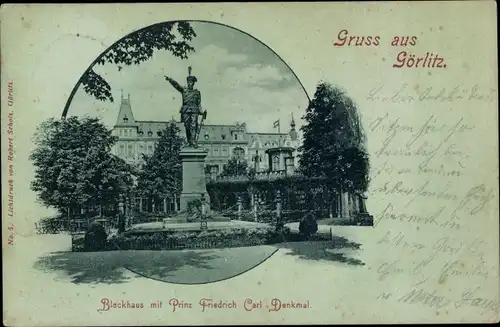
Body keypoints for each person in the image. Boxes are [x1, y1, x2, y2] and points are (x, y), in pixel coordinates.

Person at [164, 66, 205, 147]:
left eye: (191, 82)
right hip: (186, 110)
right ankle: (189, 141)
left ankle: (193, 141)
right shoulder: (184, 90)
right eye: (189, 82)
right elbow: (176, 85)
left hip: (194, 110)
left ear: (193, 83)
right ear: (187, 83)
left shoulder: (197, 93)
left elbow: (199, 104)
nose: (190, 83)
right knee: (187, 126)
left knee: (193, 125)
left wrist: (202, 112)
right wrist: (170, 80)